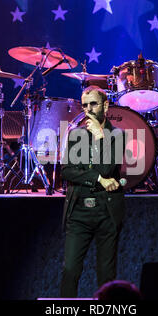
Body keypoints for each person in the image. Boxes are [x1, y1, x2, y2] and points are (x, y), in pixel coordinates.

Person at [60, 85, 125, 297]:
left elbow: (108, 168)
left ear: (105, 106)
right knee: (70, 270)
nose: (88, 109)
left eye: (93, 104)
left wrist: (99, 138)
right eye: (85, 105)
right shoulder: (74, 134)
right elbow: (67, 171)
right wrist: (98, 179)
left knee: (106, 274)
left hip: (106, 211)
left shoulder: (117, 135)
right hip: (78, 211)